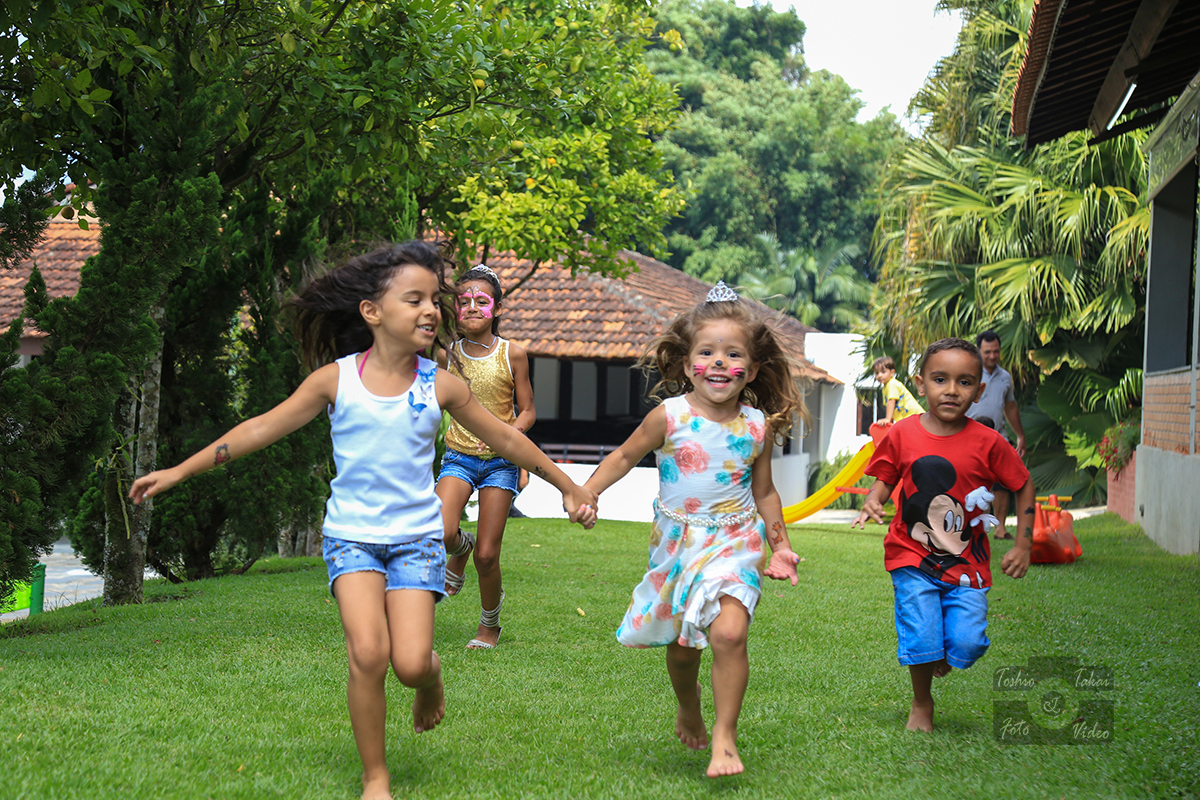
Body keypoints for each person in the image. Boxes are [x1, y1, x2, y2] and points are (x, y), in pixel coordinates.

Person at [127, 241, 597, 800]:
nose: (431, 311)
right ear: (372, 312)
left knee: (409, 663)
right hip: (352, 539)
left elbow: (505, 438)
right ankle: (376, 777)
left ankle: (431, 674)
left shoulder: (442, 384)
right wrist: (181, 470)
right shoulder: (336, 380)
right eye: (414, 299)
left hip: (417, 542)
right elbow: (260, 428)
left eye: (434, 301)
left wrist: (570, 486)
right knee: (368, 654)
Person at [583, 281, 806, 779]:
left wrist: (781, 544)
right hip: (678, 545)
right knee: (682, 650)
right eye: (707, 352)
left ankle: (724, 738)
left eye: (733, 354)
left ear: (749, 368)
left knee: (729, 633)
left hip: (735, 540)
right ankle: (689, 706)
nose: (720, 363)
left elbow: (765, 491)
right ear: (688, 365)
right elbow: (623, 455)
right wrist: (588, 491)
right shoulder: (669, 416)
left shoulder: (755, 426)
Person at [851, 338, 1034, 733]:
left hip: (966, 563)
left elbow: (1023, 484)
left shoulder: (989, 442)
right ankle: (921, 703)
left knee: (966, 644)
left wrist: (1023, 542)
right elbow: (886, 475)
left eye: (965, 382)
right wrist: (873, 499)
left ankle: (944, 653)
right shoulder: (902, 434)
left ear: (980, 391)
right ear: (921, 384)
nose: (951, 390)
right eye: (940, 379)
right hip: (911, 555)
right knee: (921, 632)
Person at [436, 264, 534, 649]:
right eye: (464, 302)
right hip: (458, 456)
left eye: (481, 300)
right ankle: (461, 546)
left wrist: (511, 435)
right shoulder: (449, 355)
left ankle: (489, 625)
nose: (472, 307)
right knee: (442, 531)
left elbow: (528, 410)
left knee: (489, 556)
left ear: (495, 307)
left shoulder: (515, 354)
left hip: (500, 462)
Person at [965, 330, 1027, 540]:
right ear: (979, 351)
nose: (992, 356)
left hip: (998, 436)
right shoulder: (969, 373)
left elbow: (1010, 407)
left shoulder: (1005, 377)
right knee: (972, 482)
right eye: (987, 352)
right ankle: (973, 525)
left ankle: (1000, 528)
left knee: (1002, 482)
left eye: (996, 352)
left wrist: (1019, 435)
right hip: (969, 436)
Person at [873, 355, 922, 424]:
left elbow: (891, 402)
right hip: (908, 419)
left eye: (883, 372)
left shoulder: (891, 384)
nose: (879, 375)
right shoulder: (885, 388)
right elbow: (891, 408)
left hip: (915, 416)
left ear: (892, 373)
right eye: (877, 373)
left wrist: (887, 419)